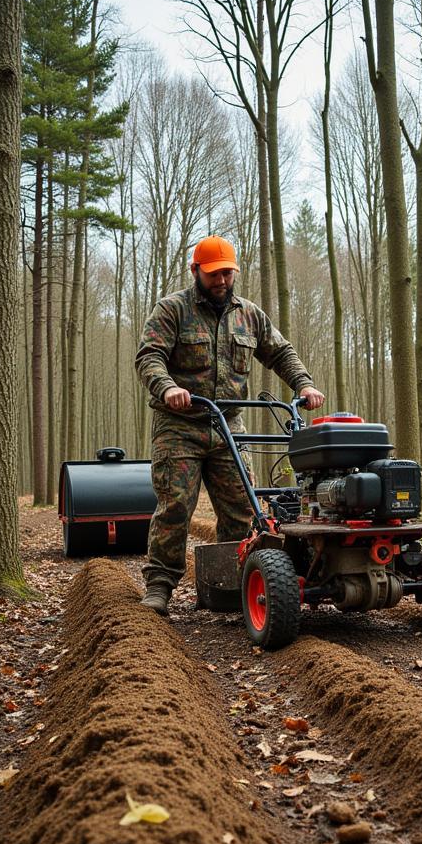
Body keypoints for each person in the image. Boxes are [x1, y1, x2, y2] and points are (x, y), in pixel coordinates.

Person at [135, 235, 325, 615]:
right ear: (196, 272)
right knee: (176, 506)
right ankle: (160, 585)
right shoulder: (173, 309)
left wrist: (303, 382)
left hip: (229, 425)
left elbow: (279, 351)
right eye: (213, 274)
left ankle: (232, 587)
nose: (221, 280)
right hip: (180, 425)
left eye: (227, 273)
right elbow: (149, 357)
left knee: (243, 509)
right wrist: (167, 386)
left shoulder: (249, 314)